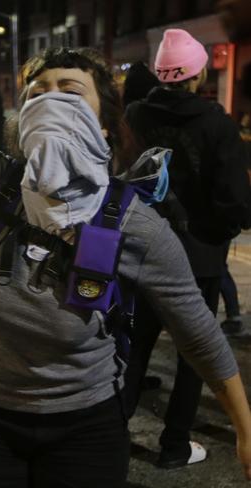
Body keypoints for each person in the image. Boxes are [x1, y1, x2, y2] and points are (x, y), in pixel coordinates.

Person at [0, 24, 251, 487]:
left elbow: (197, 332)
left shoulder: (135, 222)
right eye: (37, 92)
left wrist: (244, 427)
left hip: (87, 427)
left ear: (104, 123)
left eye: (70, 90)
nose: (50, 99)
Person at [125, 29, 251, 469]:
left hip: (140, 246)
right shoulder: (216, 124)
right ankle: (174, 445)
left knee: (134, 346)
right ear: (197, 75)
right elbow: (235, 200)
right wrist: (223, 229)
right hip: (197, 255)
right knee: (193, 354)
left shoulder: (136, 114)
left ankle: (107, 436)